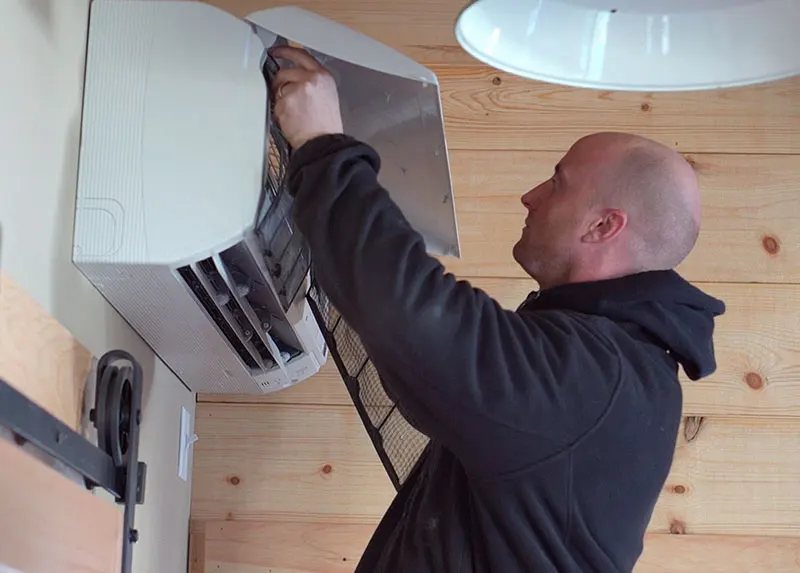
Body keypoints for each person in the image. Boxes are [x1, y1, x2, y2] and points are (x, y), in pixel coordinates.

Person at [270, 45, 726, 573]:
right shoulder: (613, 361)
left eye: (557, 182)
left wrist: (322, 144)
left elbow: (417, 317)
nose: (530, 196)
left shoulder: (599, 376)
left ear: (603, 226)